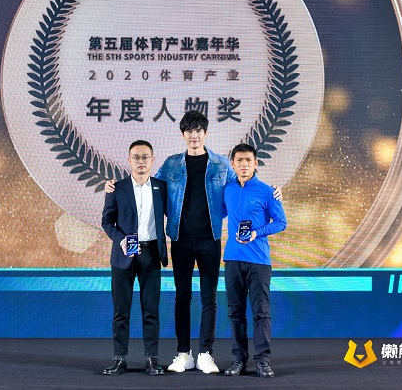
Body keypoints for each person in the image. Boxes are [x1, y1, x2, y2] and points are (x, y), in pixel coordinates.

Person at [105, 111, 281, 374]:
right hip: (181, 239)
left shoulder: (221, 164)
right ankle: (183, 353)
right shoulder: (172, 164)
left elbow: (242, 185)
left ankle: (206, 354)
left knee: (209, 297)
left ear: (205, 133)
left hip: (210, 239)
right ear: (183, 134)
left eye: (198, 130)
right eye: (189, 131)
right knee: (182, 296)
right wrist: (114, 185)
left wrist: (272, 191)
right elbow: (148, 185)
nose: (194, 135)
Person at [100, 140, 168, 376]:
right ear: (129, 160)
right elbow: (107, 222)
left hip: (151, 254)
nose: (141, 161)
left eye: (145, 157)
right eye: (136, 157)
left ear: (153, 160)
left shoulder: (161, 187)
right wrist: (121, 241)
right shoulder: (116, 188)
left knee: (151, 310)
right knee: (121, 311)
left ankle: (152, 359)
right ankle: (119, 358)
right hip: (123, 255)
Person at [222, 143, 287, 378]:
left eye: (248, 160)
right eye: (239, 160)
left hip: (259, 260)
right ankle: (239, 360)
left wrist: (256, 232)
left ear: (255, 163)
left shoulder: (267, 192)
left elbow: (281, 222)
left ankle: (263, 361)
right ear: (232, 164)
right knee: (235, 312)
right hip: (232, 259)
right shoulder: (227, 190)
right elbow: (216, 212)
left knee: (261, 312)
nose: (244, 164)